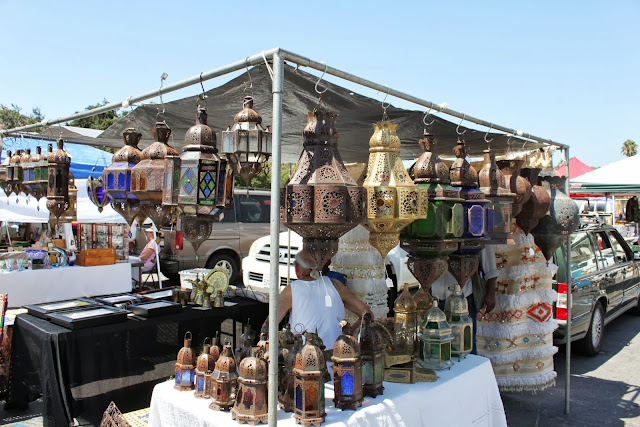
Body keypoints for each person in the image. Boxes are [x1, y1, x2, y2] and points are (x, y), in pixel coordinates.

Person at [268, 250, 373, 350]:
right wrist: (349, 335)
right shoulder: (336, 285)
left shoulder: (290, 290)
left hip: (303, 361)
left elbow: (269, 325)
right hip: (337, 359)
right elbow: (367, 314)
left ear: (297, 268)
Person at [431, 245, 497, 354]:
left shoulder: (474, 231)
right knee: (436, 347)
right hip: (435, 300)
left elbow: (489, 263)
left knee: (465, 346)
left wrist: (491, 293)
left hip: (464, 300)